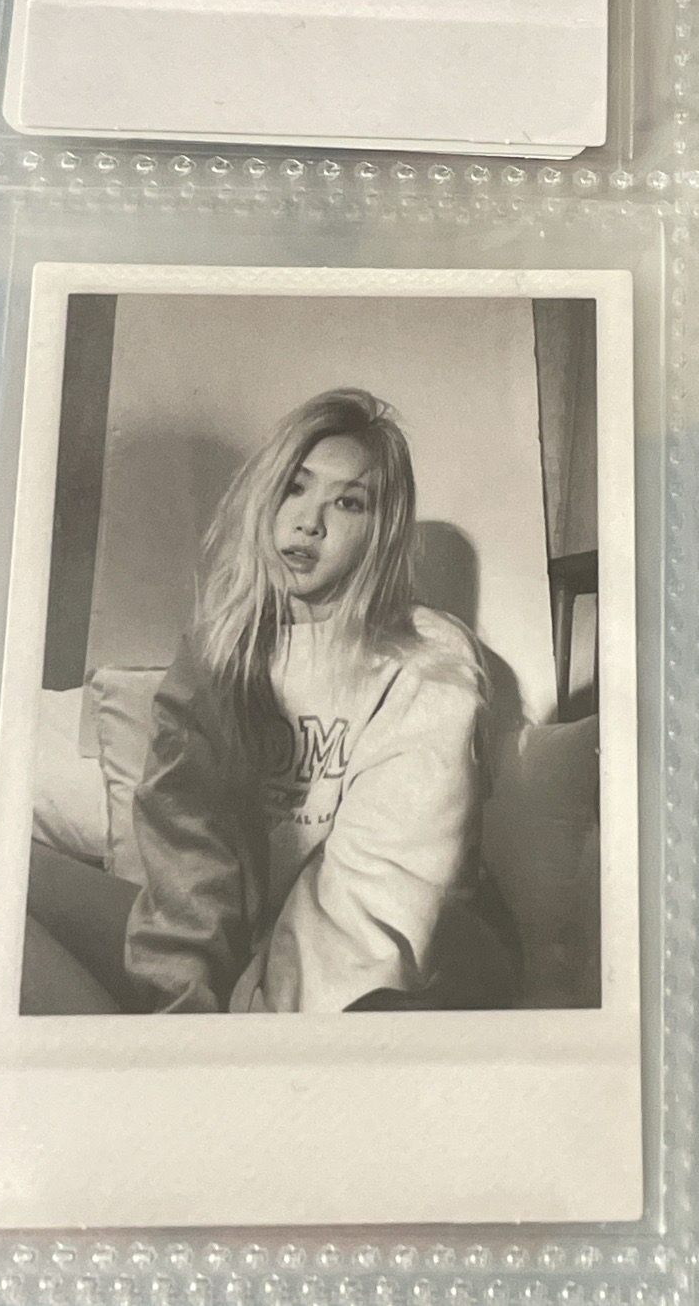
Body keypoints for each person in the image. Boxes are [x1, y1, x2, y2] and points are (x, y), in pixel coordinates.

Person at [124, 387, 503, 1013]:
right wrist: (182, 1018)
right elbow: (185, 859)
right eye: (294, 488)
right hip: (245, 952)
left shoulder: (428, 659)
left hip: (376, 987)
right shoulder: (216, 653)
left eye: (348, 502)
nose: (309, 522)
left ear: (379, 532)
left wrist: (268, 1046)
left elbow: (379, 909)